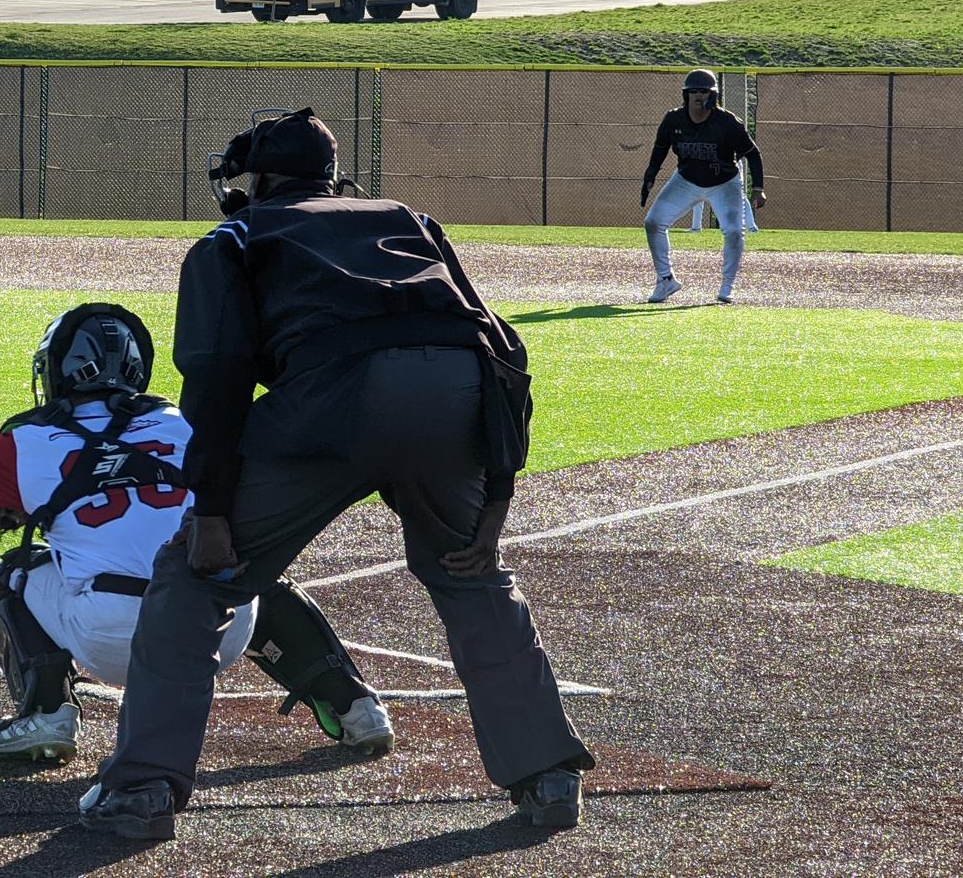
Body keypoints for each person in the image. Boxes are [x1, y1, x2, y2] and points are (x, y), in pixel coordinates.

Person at [78, 108, 594, 842]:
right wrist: (498, 493)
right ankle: (547, 773)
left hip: (331, 400)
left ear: (257, 178)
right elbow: (500, 348)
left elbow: (218, 381)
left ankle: (144, 789)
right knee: (471, 571)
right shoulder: (408, 219)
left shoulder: (235, 237)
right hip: (457, 395)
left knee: (193, 584)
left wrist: (214, 511)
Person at [0, 303, 394, 765]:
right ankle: (353, 703)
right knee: (253, 571)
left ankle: (48, 714)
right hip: (219, 631)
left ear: (57, 370)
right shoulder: (186, 422)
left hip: (112, 639)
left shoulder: (22, 444)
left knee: (16, 573)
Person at [641, 69, 767, 303]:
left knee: (733, 231)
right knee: (653, 222)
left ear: (713, 96)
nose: (699, 96)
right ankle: (666, 280)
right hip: (686, 180)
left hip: (724, 183)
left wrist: (758, 187)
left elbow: (753, 154)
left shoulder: (727, 122)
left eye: (704, 91)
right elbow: (660, 149)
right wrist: (650, 175)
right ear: (686, 95)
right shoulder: (674, 119)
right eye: (694, 91)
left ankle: (727, 286)